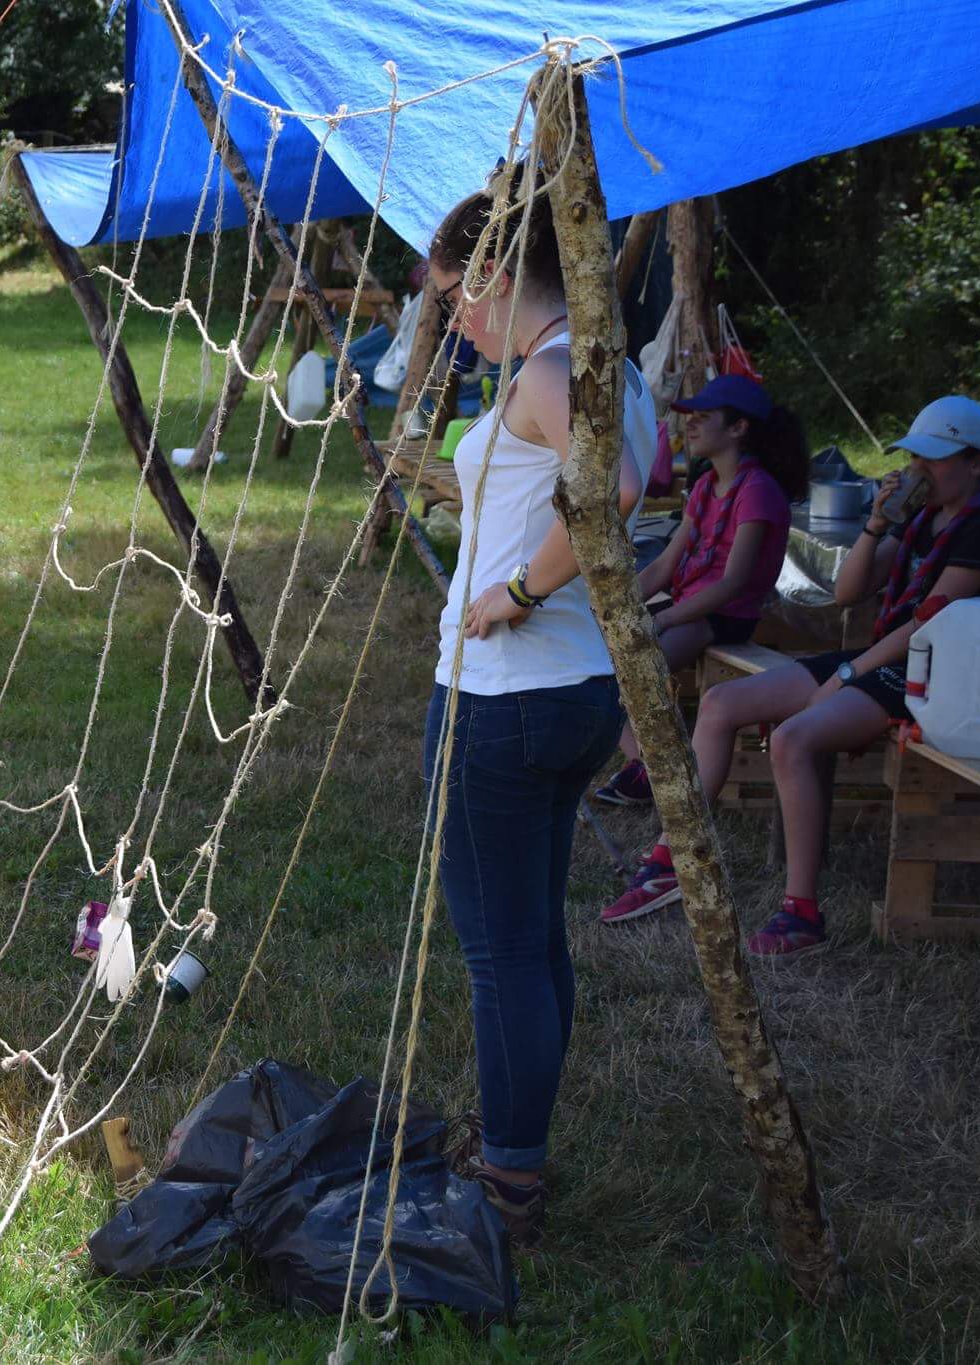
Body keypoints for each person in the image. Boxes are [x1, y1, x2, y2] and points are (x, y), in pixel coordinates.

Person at [418, 164, 652, 1247]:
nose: (454, 324)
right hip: (573, 692)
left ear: (501, 273)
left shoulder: (549, 372)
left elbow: (601, 493)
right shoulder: (610, 369)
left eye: (456, 299)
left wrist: (518, 591)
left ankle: (509, 1178)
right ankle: (515, 1143)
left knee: (499, 951)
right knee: (528, 938)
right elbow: (578, 483)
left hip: (507, 699)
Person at [600, 397, 980, 952]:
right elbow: (848, 593)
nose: (919, 470)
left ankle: (801, 912)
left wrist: (843, 675)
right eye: (915, 458)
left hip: (932, 680)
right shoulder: (928, 520)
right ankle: (671, 859)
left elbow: (924, 629)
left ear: (977, 463)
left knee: (794, 739)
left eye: (934, 460)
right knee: (723, 703)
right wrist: (874, 524)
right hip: (888, 660)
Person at [592, 374, 806, 807]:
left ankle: (652, 776)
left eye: (703, 417)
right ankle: (648, 773)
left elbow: (733, 583)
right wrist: (616, 602)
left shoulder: (759, 490)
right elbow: (668, 564)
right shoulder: (707, 485)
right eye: (690, 416)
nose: (689, 425)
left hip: (722, 615)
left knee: (632, 675)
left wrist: (665, 617)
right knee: (600, 668)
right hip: (691, 606)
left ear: (738, 428)